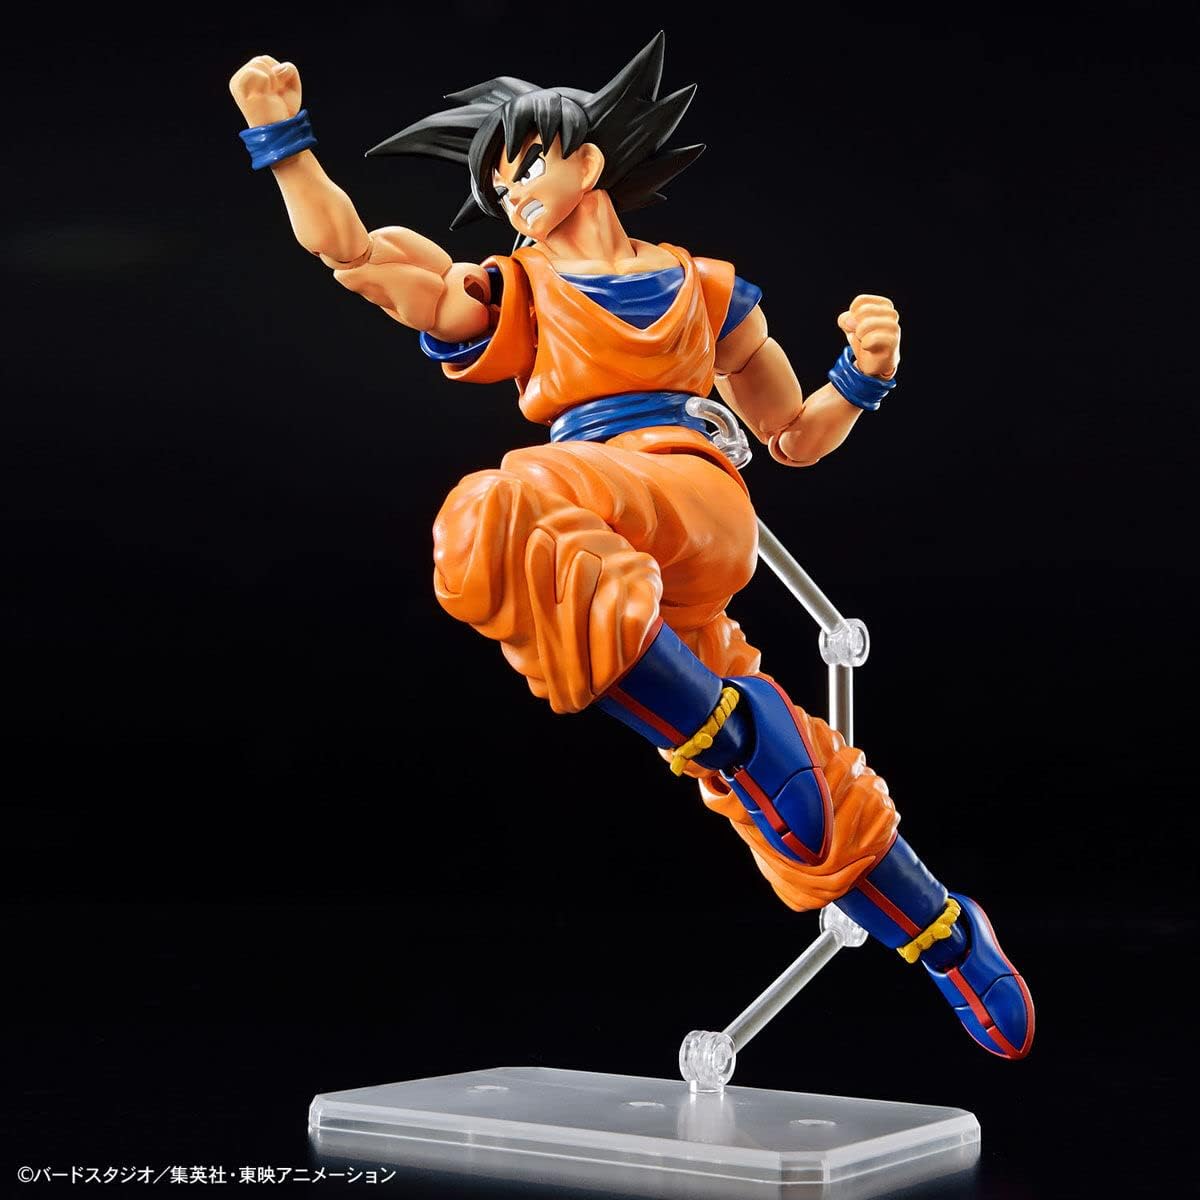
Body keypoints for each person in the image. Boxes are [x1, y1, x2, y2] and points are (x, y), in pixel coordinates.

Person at [229, 33, 1034, 1059]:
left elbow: (793, 435)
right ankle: (948, 935)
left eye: (525, 162)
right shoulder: (512, 289)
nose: (510, 190)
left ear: (589, 159)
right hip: (616, 556)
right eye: (496, 182)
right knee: (802, 808)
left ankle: (727, 733)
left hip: (690, 496)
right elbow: (356, 254)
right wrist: (285, 145)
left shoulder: (702, 288)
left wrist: (862, 377)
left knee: (503, 501)